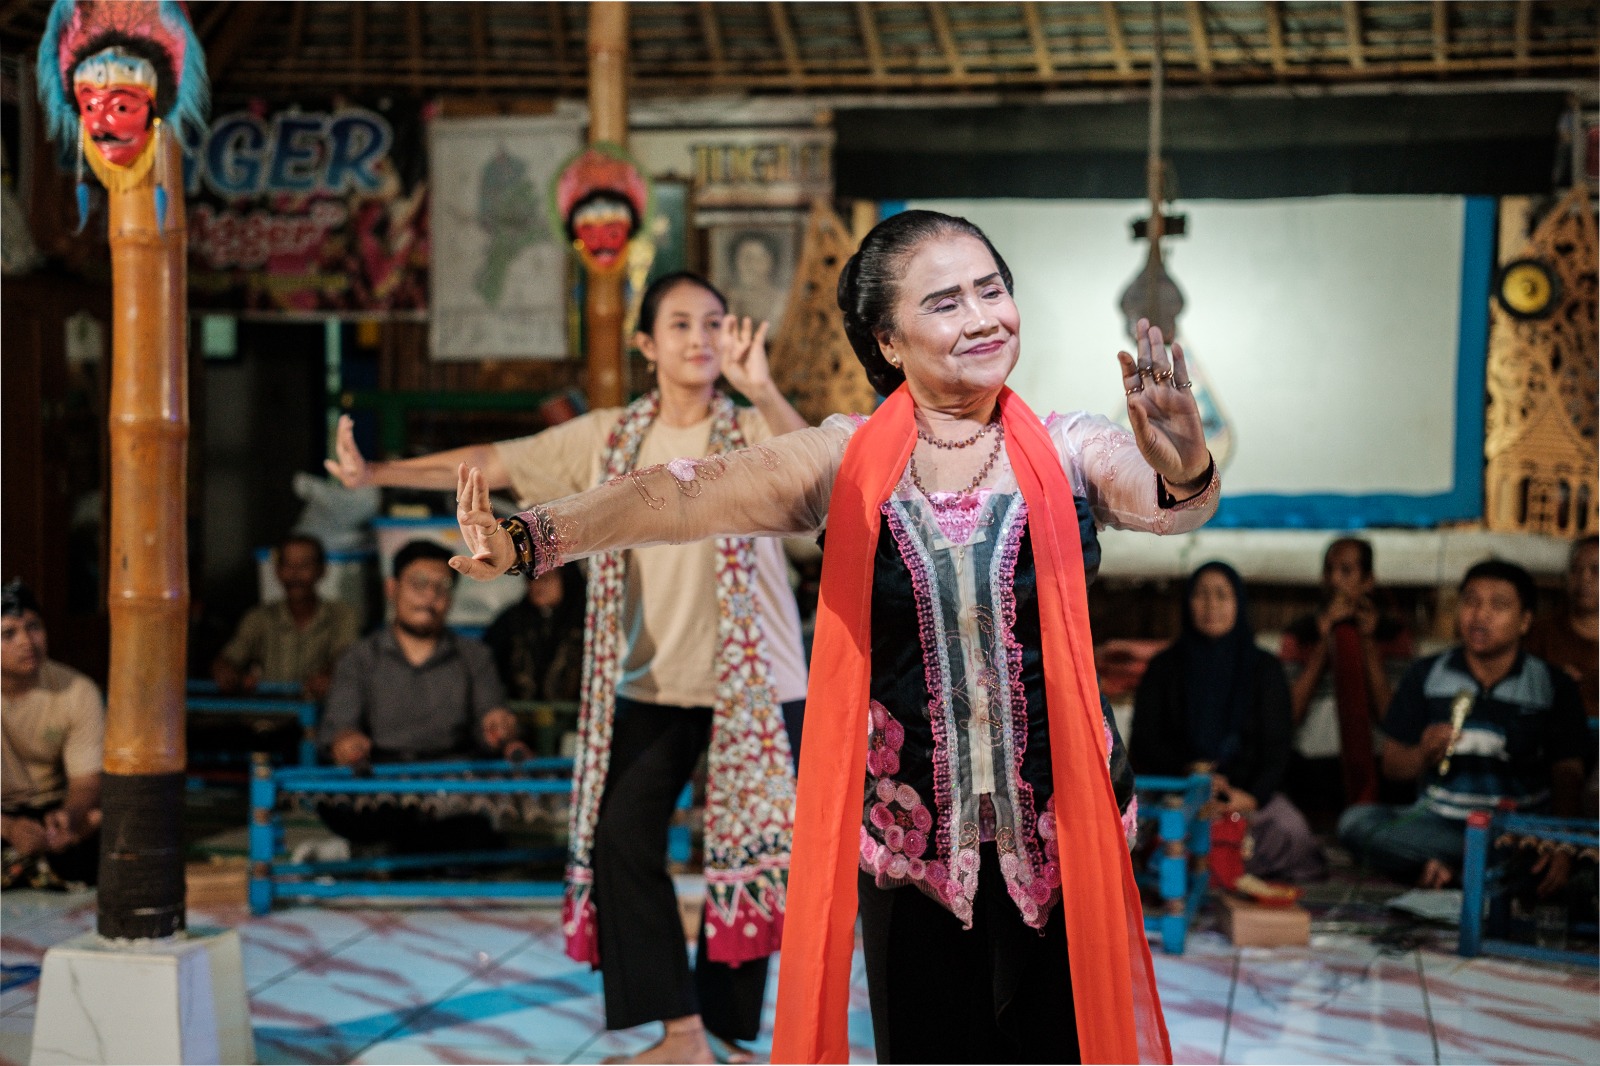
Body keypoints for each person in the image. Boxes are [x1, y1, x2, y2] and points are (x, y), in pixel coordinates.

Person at [453, 210, 1219, 1063]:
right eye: (946, 302)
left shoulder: (1070, 446)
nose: (982, 317)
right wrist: (531, 539)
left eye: (992, 291)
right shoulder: (845, 461)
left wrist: (1185, 461)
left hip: (1065, 835)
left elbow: (1169, 499)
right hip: (910, 852)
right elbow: (679, 495)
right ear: (888, 341)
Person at [325, 272, 809, 1065]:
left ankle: (723, 1035)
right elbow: (499, 460)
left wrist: (765, 391)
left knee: (749, 854)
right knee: (620, 840)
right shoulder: (608, 438)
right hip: (651, 682)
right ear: (647, 344)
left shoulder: (754, 428)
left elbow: (815, 469)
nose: (701, 338)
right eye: (681, 324)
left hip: (757, 691)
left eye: (715, 324)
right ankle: (681, 1034)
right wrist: (375, 474)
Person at [1339, 560, 1590, 892]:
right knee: (1355, 824)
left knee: (1572, 864)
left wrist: (1561, 839)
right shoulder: (1427, 674)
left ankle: (1452, 871)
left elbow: (1568, 770)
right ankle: (1480, 869)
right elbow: (1393, 766)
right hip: (1443, 826)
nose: (1480, 614)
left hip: (1517, 827)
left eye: (1498, 605)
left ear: (1525, 621)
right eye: (1471, 601)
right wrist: (1422, 754)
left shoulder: (1552, 684)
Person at [316, 540, 523, 854]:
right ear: (392, 588)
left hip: (451, 785)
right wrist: (347, 741)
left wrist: (499, 727)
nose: (430, 597)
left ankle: (407, 848)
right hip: (382, 783)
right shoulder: (359, 659)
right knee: (340, 803)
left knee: (475, 821)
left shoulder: (475, 657)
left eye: (442, 587)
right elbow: (341, 726)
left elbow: (491, 716)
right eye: (419, 584)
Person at [1132, 562, 1326, 884]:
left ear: (1238, 603)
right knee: (1139, 832)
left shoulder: (1264, 669)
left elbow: (1277, 749)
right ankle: (1218, 868)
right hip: (1181, 793)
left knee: (1292, 833)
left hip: (1246, 798)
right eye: (1202, 595)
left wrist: (1249, 797)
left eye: (1222, 595)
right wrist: (1191, 773)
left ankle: (1207, 869)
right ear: (1187, 603)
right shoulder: (1163, 668)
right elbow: (1144, 742)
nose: (1211, 605)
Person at [1279, 537, 1413, 827]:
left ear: (1368, 581)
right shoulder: (1300, 634)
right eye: (1329, 571)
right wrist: (1325, 644)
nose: (1334, 580)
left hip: (1377, 768)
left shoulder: (1393, 635)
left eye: (1346, 571)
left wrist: (1365, 644)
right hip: (1313, 767)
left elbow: (1395, 718)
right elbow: (1288, 715)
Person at [1, 580, 104, 889]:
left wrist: (69, 816)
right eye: (9, 633)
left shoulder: (77, 691)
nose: (27, 643)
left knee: (104, 817)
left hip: (52, 810)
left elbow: (87, 781)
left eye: (33, 627)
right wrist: (8, 829)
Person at [212, 533, 361, 701]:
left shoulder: (341, 615)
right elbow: (232, 656)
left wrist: (329, 676)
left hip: (319, 720)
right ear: (277, 570)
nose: (295, 574)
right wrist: (227, 671)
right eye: (288, 565)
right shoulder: (259, 617)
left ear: (321, 570)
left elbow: (346, 657)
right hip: (267, 719)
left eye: (304, 566)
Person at [483, 565, 584, 704]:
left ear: (566, 579)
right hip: (518, 715)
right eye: (531, 577)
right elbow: (487, 668)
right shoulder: (511, 620)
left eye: (546, 578)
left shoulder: (583, 621)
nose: (537, 584)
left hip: (572, 717)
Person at [1524, 534, 1598, 719]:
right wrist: (1553, 679)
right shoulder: (1540, 632)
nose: (1584, 579)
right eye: (1575, 570)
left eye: (1596, 570)